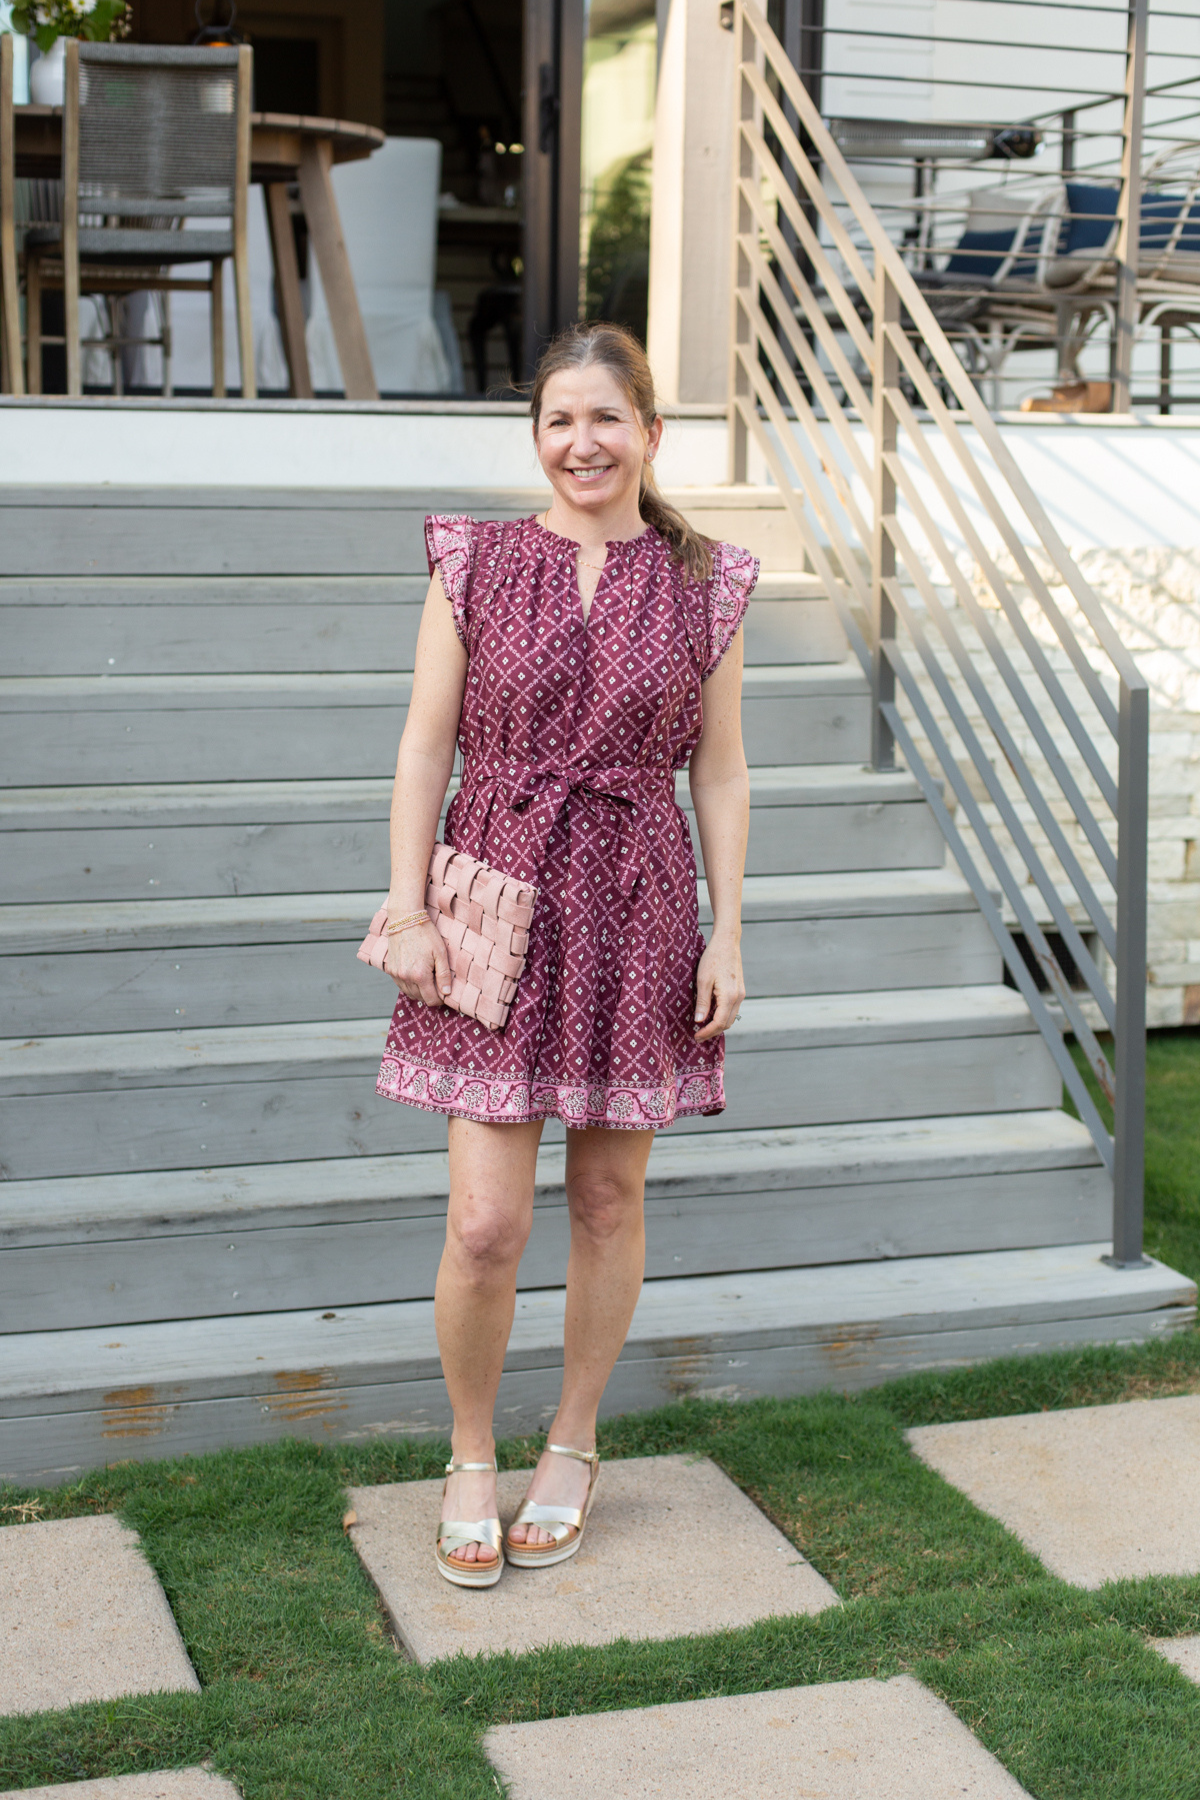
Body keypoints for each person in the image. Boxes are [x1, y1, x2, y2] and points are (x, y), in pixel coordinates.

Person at [376, 321, 756, 1587]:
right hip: (493, 895)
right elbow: (427, 746)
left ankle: (574, 1445)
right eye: (556, 420)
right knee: (486, 1224)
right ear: (533, 436)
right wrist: (408, 904)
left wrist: (730, 929)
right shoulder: (472, 562)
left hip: (639, 901)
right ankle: (471, 1454)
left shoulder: (709, 581)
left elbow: (723, 768)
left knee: (605, 1200)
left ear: (651, 433)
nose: (579, 443)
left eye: (605, 418)